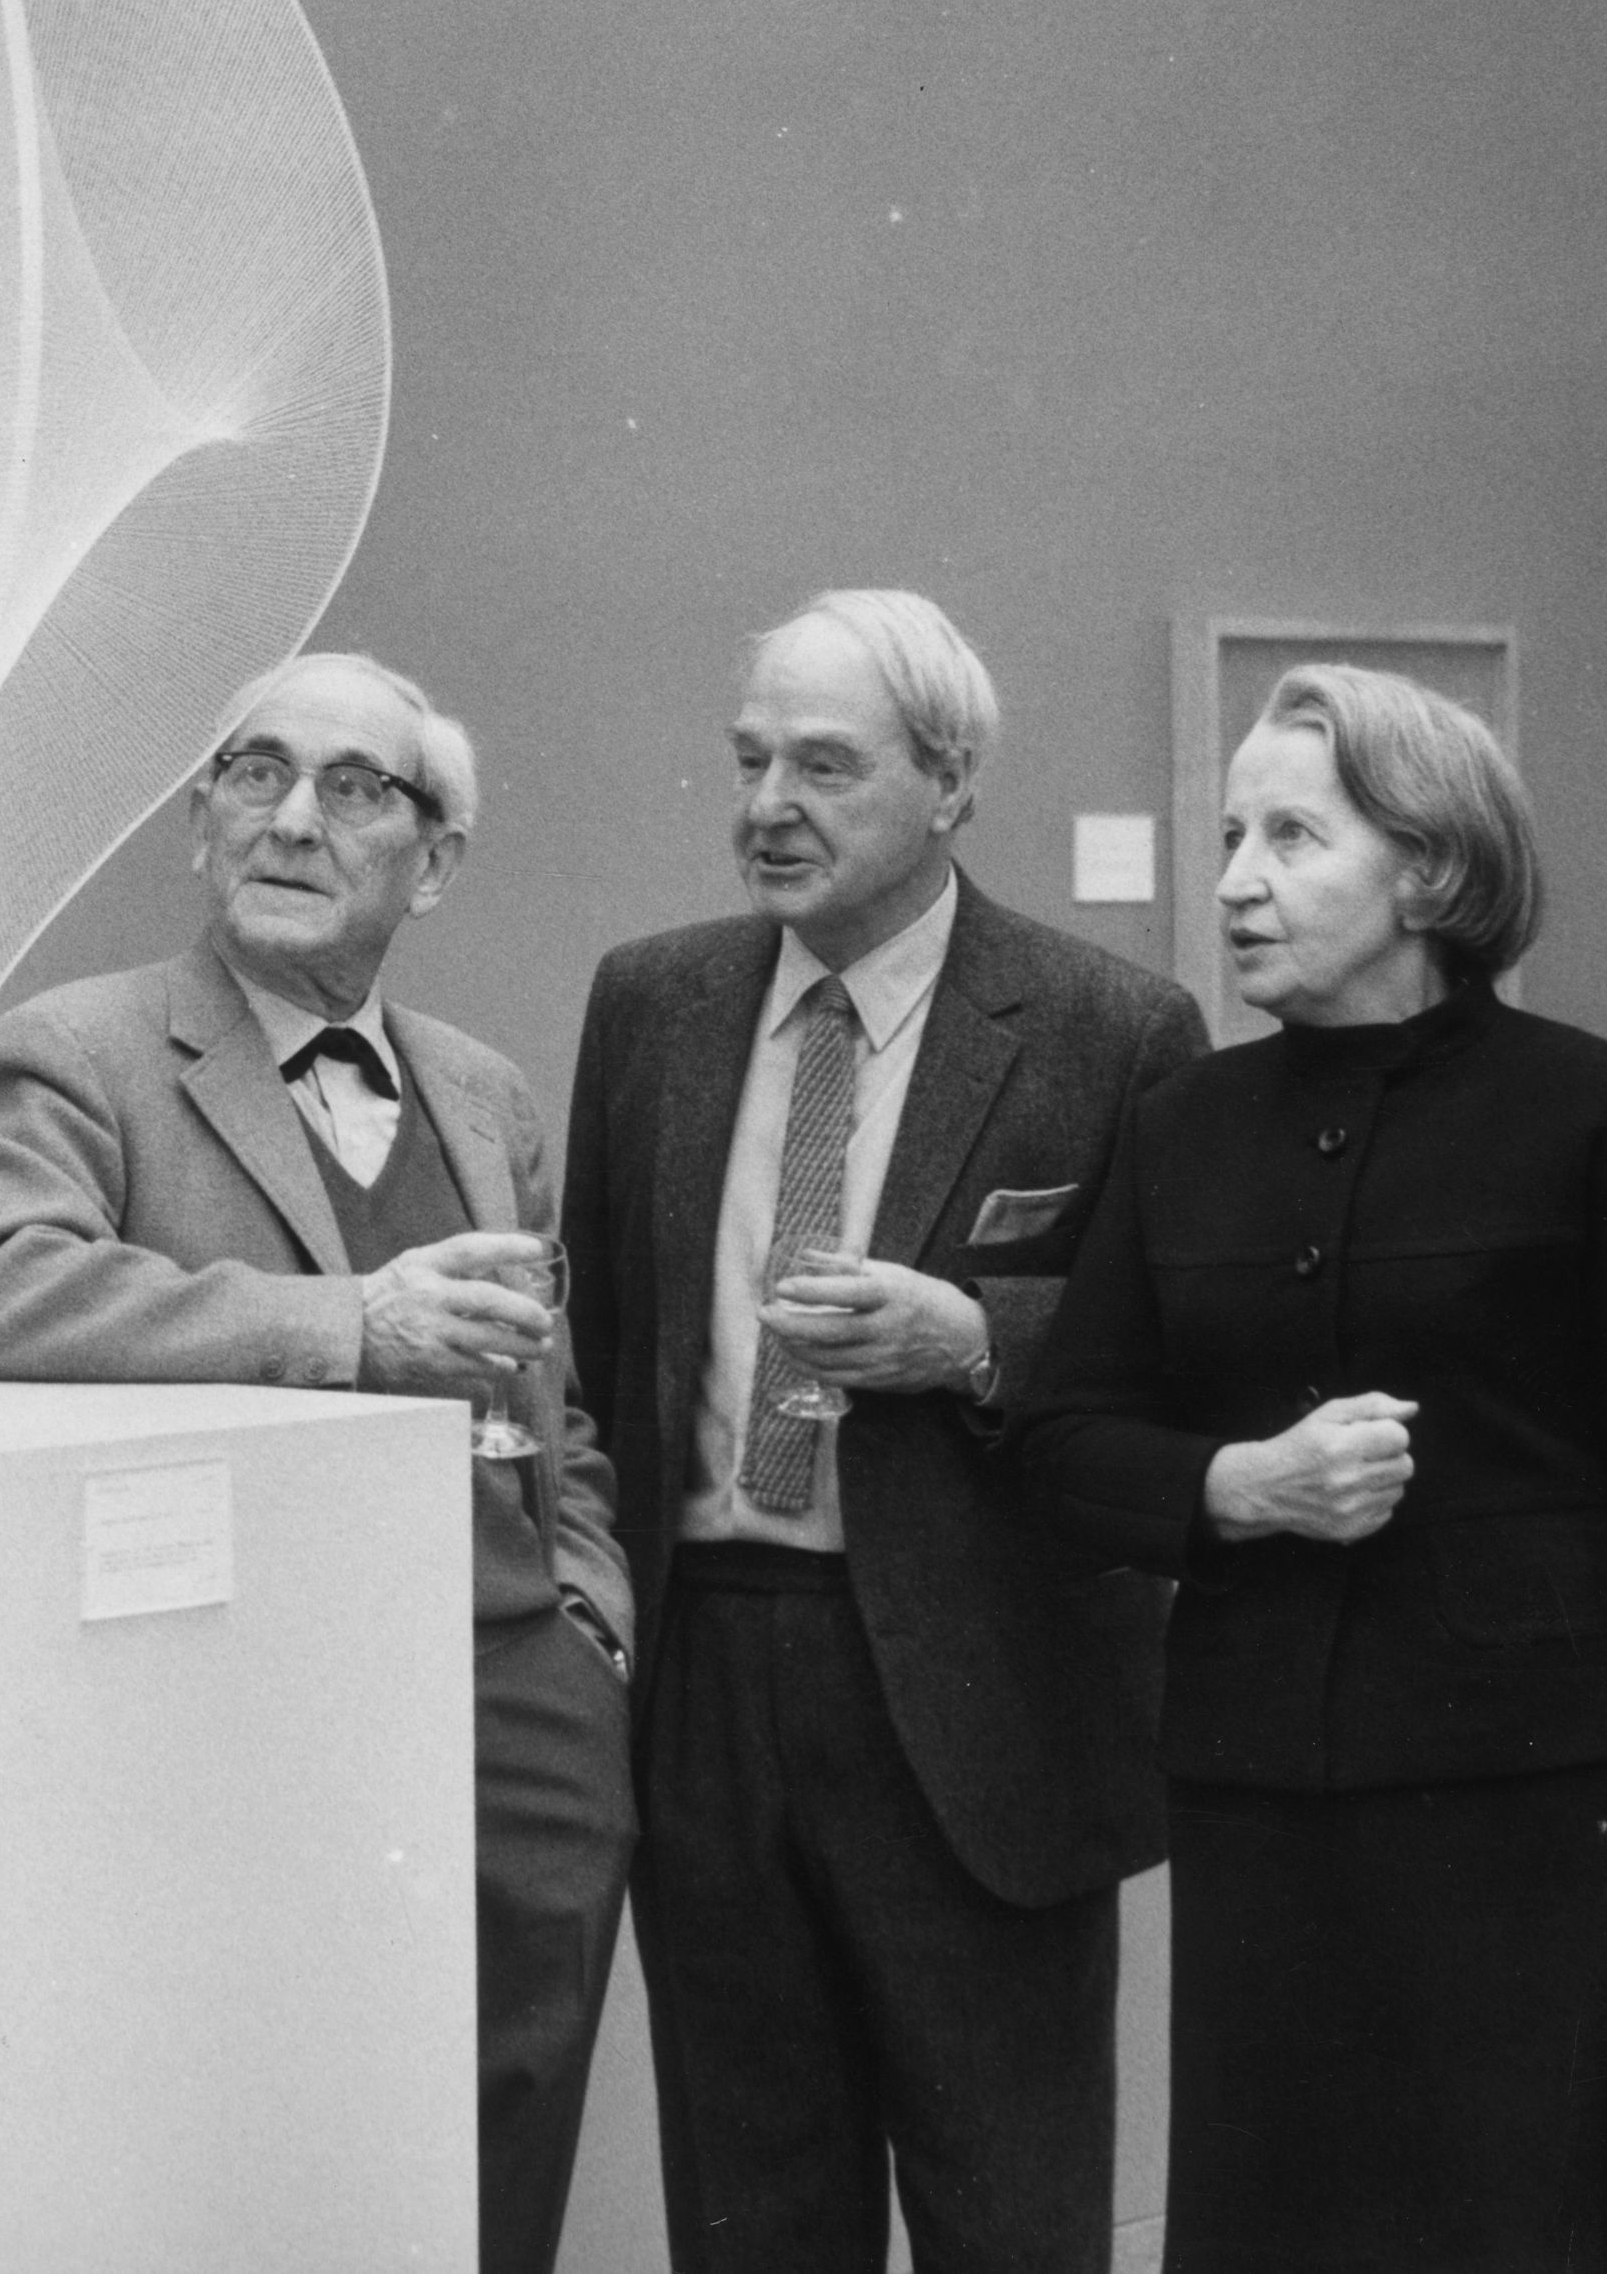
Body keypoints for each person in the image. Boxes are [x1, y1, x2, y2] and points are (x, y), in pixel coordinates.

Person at [1010, 664, 1607, 2274]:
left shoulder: (1598, 1119)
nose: (1233, 880)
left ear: (1428, 870)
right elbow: (1062, 1448)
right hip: (1259, 1813)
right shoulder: (1182, 1128)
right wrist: (1239, 1486)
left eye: (1291, 836)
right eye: (1231, 834)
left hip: (1535, 1817)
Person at [0, 650, 634, 2274]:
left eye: (352, 788)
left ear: (434, 859)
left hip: (518, 1690)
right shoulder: (82, 1051)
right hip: (242, 1709)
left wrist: (588, 1624)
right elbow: (3, 1288)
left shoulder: (482, 1090)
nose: (293, 820)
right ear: (199, 824)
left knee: (506, 2130)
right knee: (269, 2144)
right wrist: (350, 1329)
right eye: (253, 776)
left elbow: (560, 1401)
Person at [562, 589, 1210, 2274]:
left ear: (949, 782)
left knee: (1010, 2213)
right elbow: (612, 1346)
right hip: (709, 1672)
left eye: (825, 765)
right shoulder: (650, 1004)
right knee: (751, 2209)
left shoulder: (1107, 1031)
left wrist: (981, 1340)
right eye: (750, 756)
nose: (768, 803)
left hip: (977, 1702)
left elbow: (1182, 1369)